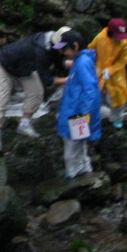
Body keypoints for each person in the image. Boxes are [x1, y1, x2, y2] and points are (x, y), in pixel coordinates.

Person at [0, 26, 71, 154]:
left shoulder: (53, 44)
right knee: (2, 101)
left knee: (36, 93)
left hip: (25, 68)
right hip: (4, 65)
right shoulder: (41, 51)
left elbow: (58, 61)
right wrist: (68, 80)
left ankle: (24, 124)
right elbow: (46, 80)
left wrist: (73, 64)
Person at [53, 30, 102, 178]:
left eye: (64, 48)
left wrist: (84, 114)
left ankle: (74, 175)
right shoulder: (80, 61)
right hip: (75, 111)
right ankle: (85, 170)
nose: (62, 52)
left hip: (77, 114)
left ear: (75, 46)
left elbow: (91, 91)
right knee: (79, 145)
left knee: (71, 149)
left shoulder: (82, 63)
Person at [87, 18, 127, 128]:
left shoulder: (123, 43)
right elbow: (90, 50)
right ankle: (95, 117)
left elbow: (123, 60)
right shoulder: (100, 38)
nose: (120, 39)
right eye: (117, 35)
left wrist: (111, 70)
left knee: (118, 98)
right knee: (95, 95)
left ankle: (116, 119)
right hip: (98, 72)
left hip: (116, 75)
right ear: (111, 32)